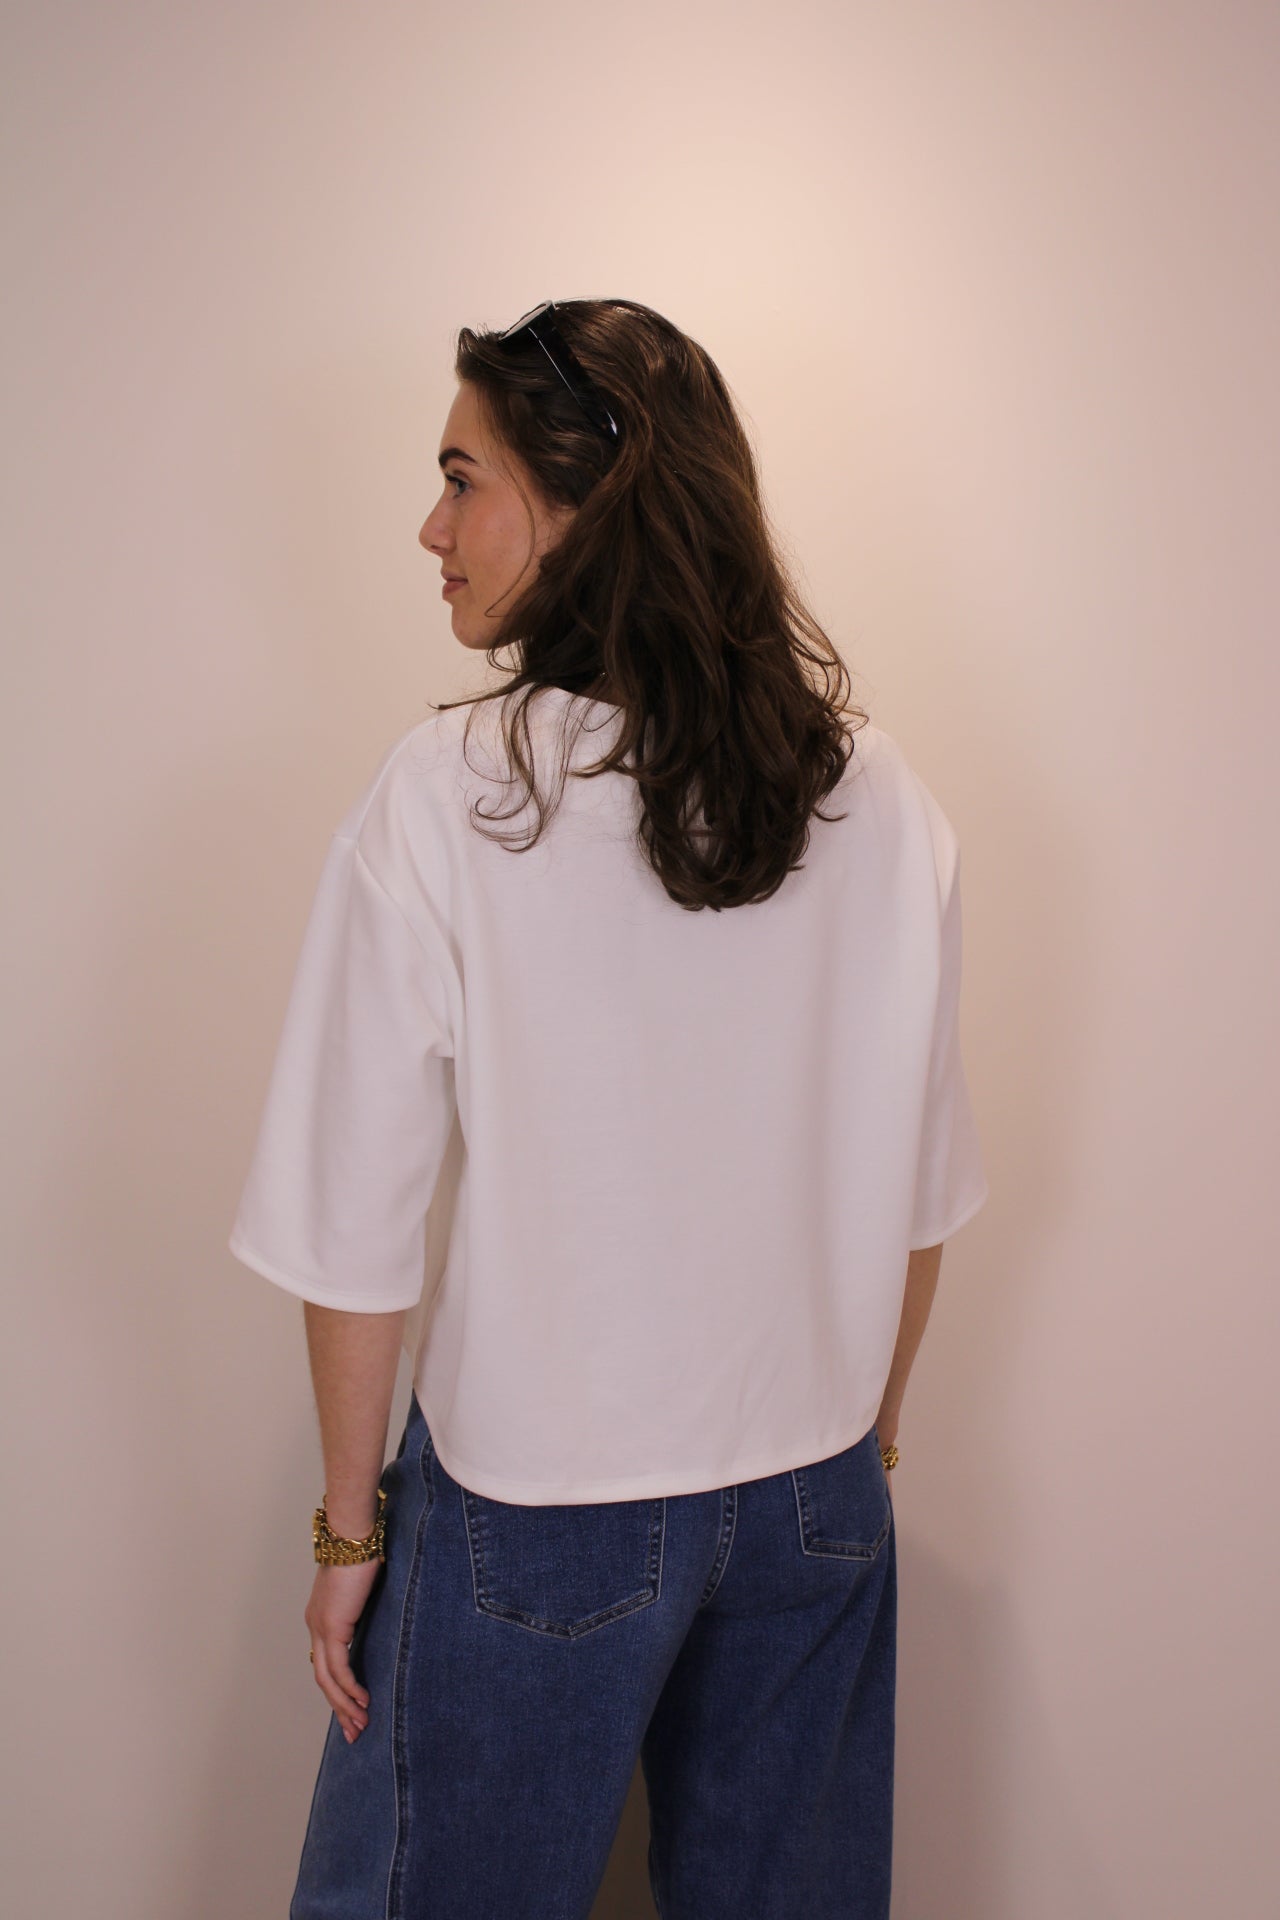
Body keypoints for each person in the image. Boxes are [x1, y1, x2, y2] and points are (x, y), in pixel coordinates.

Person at [228, 297, 989, 1920]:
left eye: (464, 480)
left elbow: (352, 1229)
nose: (430, 530)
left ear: (589, 506)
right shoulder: (876, 795)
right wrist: (860, 1445)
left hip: (541, 1510)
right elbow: (921, 1204)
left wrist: (349, 1538)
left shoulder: (452, 797)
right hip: (816, 1497)